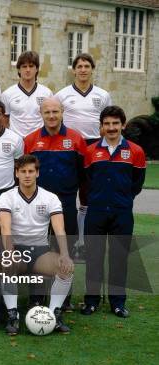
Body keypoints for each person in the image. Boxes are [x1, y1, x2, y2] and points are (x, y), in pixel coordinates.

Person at [0, 154, 75, 335]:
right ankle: (13, 315)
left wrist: (64, 254)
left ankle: (54, 315)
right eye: (22, 171)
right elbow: (5, 228)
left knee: (66, 267)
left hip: (40, 252)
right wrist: (9, 252)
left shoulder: (50, 198)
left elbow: (59, 229)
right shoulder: (7, 197)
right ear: (16, 173)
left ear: (37, 173)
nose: (27, 175)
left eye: (31, 171)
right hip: (17, 250)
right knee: (7, 264)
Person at [82, 106, 145, 318]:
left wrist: (122, 199)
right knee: (94, 258)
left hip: (122, 213)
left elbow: (137, 184)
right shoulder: (91, 151)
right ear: (101, 127)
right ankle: (91, 301)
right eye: (107, 124)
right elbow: (87, 181)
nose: (111, 128)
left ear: (123, 125)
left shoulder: (135, 151)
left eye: (115, 123)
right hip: (96, 212)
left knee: (119, 258)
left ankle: (117, 303)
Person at [24, 97, 86, 309]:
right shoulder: (30, 140)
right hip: (37, 205)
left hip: (66, 203)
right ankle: (37, 298)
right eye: (47, 112)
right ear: (41, 114)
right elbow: (26, 173)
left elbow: (82, 174)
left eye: (55, 111)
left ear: (62, 112)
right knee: (39, 250)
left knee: (64, 249)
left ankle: (63, 300)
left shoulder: (76, 139)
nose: (51, 116)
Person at [55, 53, 112, 258]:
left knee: (88, 196)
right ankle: (66, 241)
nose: (83, 69)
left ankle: (83, 242)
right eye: (79, 66)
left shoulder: (103, 95)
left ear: (92, 69)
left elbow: (108, 123)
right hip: (70, 147)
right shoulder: (62, 94)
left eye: (87, 66)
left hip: (94, 146)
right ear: (74, 70)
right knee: (68, 193)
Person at [1, 51, 53, 138]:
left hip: (39, 141)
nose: (28, 70)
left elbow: (51, 118)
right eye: (24, 66)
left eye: (31, 66)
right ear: (19, 69)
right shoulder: (8, 94)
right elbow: (4, 121)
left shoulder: (47, 93)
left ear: (37, 69)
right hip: (16, 141)